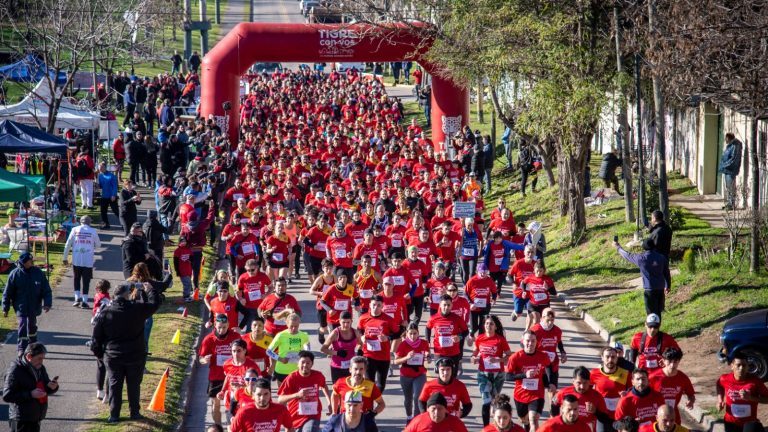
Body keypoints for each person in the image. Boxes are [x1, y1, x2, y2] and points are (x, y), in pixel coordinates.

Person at [91, 277, 168, 423]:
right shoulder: (136, 309)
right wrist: (150, 291)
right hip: (135, 354)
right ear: (127, 295)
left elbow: (96, 339)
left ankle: (114, 414)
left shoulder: (105, 313)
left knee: (114, 385)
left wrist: (101, 355)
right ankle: (135, 412)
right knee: (133, 385)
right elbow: (154, 304)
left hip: (113, 355)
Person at [2, 253, 52, 356]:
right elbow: (8, 292)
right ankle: (21, 347)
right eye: (30, 260)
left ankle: (33, 346)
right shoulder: (15, 274)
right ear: (24, 262)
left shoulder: (38, 273)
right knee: (23, 324)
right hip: (21, 306)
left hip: (34, 306)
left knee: (32, 326)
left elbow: (46, 289)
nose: (32, 262)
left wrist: (47, 303)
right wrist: (5, 307)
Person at [2, 343, 59, 432]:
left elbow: (44, 386)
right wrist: (30, 394)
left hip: (35, 418)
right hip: (20, 420)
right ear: (29, 356)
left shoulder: (40, 368)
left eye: (43, 358)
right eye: (39, 358)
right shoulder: (14, 371)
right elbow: (7, 396)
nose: (41, 361)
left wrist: (52, 387)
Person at [504, 331, 553, 432]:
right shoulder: (515, 357)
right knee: (525, 420)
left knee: (533, 420)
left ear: (537, 342)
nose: (530, 343)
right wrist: (524, 375)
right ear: (523, 341)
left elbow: (548, 367)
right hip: (520, 395)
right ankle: (526, 427)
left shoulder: (542, 356)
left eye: (533, 341)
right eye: (528, 341)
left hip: (537, 395)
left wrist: (550, 383)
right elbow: (507, 376)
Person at [199, 313, 242, 427]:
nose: (222, 330)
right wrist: (205, 360)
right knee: (215, 404)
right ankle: (218, 427)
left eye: (224, 327)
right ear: (215, 326)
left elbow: (244, 353)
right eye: (219, 327)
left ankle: (234, 427)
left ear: (228, 325)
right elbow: (201, 358)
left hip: (234, 376)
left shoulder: (235, 336)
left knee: (236, 404)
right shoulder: (209, 339)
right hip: (216, 376)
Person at [472, 315, 512, 426]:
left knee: (494, 401)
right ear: (484, 325)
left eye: (491, 324)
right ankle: (486, 427)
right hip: (483, 374)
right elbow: (474, 353)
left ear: (495, 327)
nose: (488, 326)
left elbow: (509, 356)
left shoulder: (500, 339)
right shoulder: (480, 338)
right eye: (486, 323)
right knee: (486, 401)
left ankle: (496, 425)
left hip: (498, 375)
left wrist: (498, 359)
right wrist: (474, 358)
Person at [277, 351, 332, 432]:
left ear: (312, 364)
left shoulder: (318, 375)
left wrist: (329, 402)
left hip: (313, 414)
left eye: (308, 363)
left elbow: (324, 386)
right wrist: (297, 395)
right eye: (302, 362)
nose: (305, 365)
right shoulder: (291, 378)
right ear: (298, 364)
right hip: (295, 416)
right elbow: (280, 399)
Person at [614, 239, 670, 317]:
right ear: (654, 246)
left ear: (644, 247)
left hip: (649, 290)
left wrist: (618, 247)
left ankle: (652, 328)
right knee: (658, 312)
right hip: (660, 289)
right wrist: (667, 285)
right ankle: (657, 327)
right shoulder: (661, 257)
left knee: (651, 314)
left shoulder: (641, 258)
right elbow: (666, 272)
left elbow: (627, 255)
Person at [717, 351, 768, 432]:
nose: (741, 368)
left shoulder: (755, 382)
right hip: (731, 422)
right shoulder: (725, 378)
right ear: (732, 366)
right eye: (738, 365)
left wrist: (751, 398)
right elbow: (719, 384)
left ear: (748, 367)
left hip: (749, 423)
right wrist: (720, 400)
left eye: (744, 365)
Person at [357, 295, 400, 391]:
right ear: (369, 305)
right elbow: (359, 330)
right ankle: (369, 406)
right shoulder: (363, 318)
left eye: (378, 305)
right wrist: (362, 337)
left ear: (382, 306)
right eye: (373, 305)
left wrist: (387, 338)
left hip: (383, 356)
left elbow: (398, 334)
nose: (375, 307)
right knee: (369, 384)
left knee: (381, 385)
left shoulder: (388, 319)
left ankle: (377, 402)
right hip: (368, 355)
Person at [551, 366, 609, 432]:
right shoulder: (563, 393)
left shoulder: (597, 396)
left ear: (589, 382)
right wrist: (557, 421)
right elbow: (554, 404)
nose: (582, 387)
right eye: (579, 383)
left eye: (585, 383)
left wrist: (595, 411)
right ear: (573, 381)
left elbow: (605, 418)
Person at [395, 322, 431, 422]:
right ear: (406, 333)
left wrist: (428, 357)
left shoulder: (423, 343)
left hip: (420, 374)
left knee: (417, 397)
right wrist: (407, 357)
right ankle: (409, 416)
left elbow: (428, 354)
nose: (412, 336)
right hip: (405, 375)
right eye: (410, 333)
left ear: (418, 333)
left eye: (415, 333)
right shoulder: (403, 344)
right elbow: (396, 361)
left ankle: (416, 420)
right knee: (408, 399)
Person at [63, 215, 101, 309]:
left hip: (76, 259)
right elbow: (99, 245)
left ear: (80, 222)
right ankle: (84, 301)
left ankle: (77, 298)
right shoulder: (93, 231)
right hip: (88, 260)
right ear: (89, 222)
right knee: (86, 281)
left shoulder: (75, 229)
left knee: (76, 278)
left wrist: (65, 257)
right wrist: (91, 247)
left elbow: (68, 244)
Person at [229, 378, 294, 432]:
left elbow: (290, 427)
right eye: (259, 394)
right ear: (253, 395)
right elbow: (231, 430)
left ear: (270, 394)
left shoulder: (280, 410)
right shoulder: (244, 412)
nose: (262, 398)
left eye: (266, 394)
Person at [266, 313, 311, 385]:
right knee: (282, 394)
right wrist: (281, 359)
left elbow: (308, 351)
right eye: (291, 326)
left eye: (296, 326)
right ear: (286, 324)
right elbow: (268, 351)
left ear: (299, 324)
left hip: (297, 370)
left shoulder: (304, 335)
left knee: (296, 394)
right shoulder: (281, 335)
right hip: (282, 370)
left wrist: (304, 357)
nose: (293, 328)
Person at [321, 311, 362, 383]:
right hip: (337, 367)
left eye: (348, 322)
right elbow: (323, 349)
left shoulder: (355, 332)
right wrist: (337, 353)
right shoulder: (335, 333)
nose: (346, 325)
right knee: (338, 390)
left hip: (351, 367)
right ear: (339, 321)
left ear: (351, 321)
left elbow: (360, 344)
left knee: (350, 389)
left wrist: (359, 351)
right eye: (343, 322)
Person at [91, 279, 111, 401]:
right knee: (108, 366)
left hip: (96, 331)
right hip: (106, 334)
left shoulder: (97, 297)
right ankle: (108, 394)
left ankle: (99, 390)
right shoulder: (107, 299)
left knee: (99, 364)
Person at [718, 132, 742, 210]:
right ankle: (729, 203)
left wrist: (724, 165)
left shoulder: (735, 145)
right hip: (727, 170)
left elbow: (734, 159)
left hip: (731, 170)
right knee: (728, 187)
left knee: (731, 187)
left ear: (729, 138)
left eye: (726, 138)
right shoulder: (731, 145)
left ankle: (731, 204)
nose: (725, 140)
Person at [97, 163, 119, 229]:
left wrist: (113, 195)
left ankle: (125, 224)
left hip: (111, 196)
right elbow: (101, 185)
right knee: (103, 211)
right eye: (99, 168)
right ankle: (106, 224)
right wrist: (97, 186)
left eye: (101, 167)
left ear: (105, 167)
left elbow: (115, 186)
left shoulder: (111, 176)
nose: (100, 169)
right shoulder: (100, 175)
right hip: (104, 196)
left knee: (116, 211)